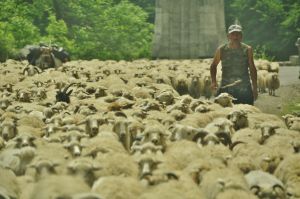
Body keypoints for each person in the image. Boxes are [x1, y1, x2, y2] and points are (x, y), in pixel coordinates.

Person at [210, 24, 258, 105]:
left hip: (244, 89)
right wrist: (213, 81)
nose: (235, 37)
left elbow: (252, 68)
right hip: (226, 89)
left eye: (238, 34)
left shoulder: (247, 49)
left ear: (241, 36)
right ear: (228, 36)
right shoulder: (221, 50)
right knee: (224, 114)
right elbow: (213, 65)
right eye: (233, 34)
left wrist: (255, 87)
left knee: (246, 113)